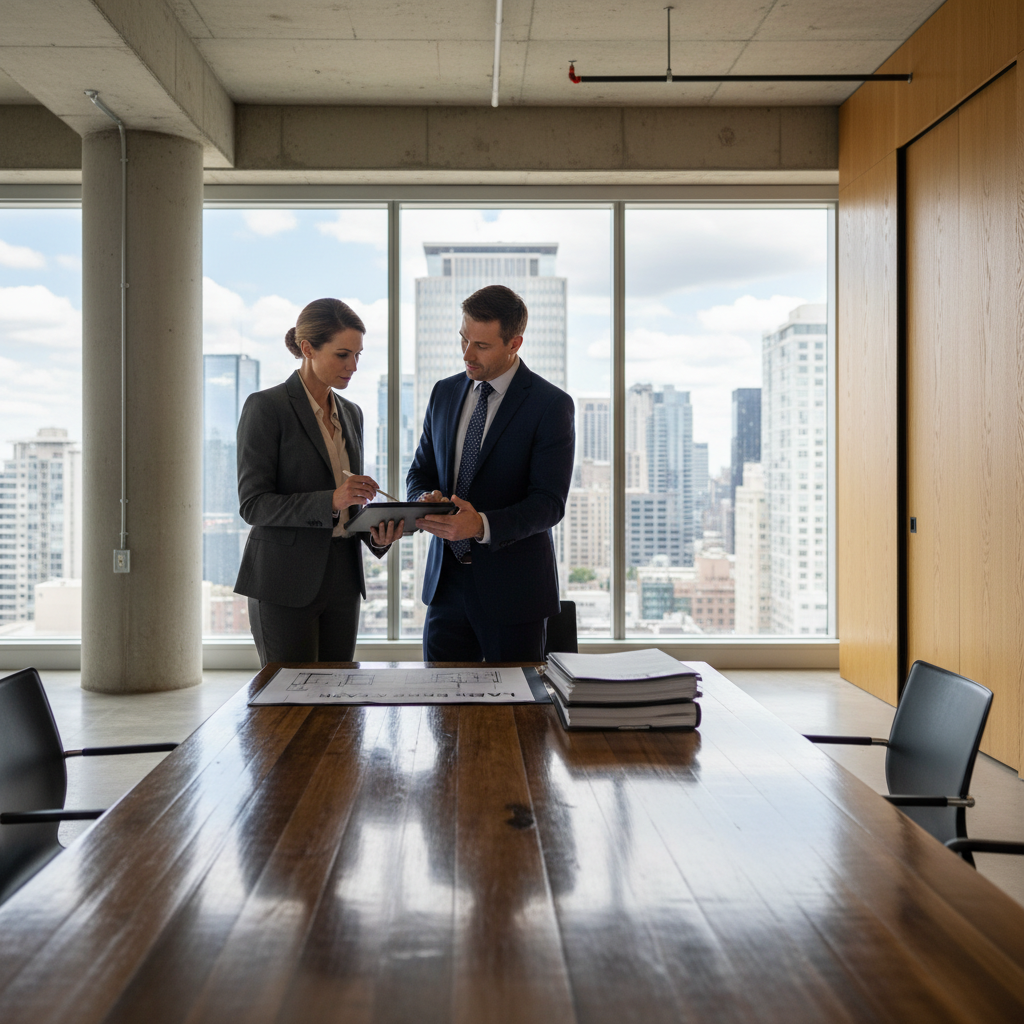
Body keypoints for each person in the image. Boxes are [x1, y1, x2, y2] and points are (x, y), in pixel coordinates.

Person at [407, 284, 575, 662]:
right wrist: (424, 497)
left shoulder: (550, 405)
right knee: (441, 710)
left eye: (481, 345)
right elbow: (420, 470)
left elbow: (549, 503)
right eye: (463, 339)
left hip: (514, 594)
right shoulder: (444, 392)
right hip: (445, 587)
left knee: (516, 717)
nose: (467, 354)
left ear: (514, 343)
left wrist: (480, 525)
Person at [235, 297, 403, 665]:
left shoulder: (352, 414)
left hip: (343, 577)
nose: (353, 366)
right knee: (289, 705)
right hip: (283, 582)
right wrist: (331, 500)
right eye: (343, 355)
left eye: (358, 355)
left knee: (341, 701)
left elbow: (349, 506)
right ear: (307, 348)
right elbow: (253, 504)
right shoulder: (266, 408)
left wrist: (376, 532)